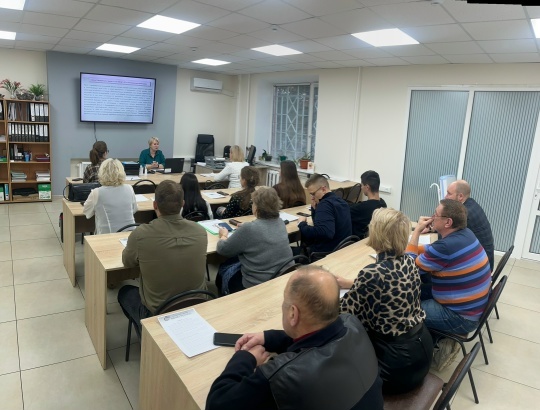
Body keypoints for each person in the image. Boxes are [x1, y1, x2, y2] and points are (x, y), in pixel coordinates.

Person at [206, 266, 384, 410]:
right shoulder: (352, 324)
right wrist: (268, 338)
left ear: (293, 313)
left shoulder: (281, 377)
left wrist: (245, 357)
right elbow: (317, 340)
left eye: (285, 302)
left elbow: (216, 404)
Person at [337, 208, 432, 394]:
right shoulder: (409, 262)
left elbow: (343, 312)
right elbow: (387, 286)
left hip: (394, 366)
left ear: (377, 233)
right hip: (422, 350)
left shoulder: (372, 274)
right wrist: (354, 283)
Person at [406, 199, 491, 370]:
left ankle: (425, 349)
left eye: (436, 215)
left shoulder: (445, 247)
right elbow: (433, 250)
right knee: (418, 291)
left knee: (404, 310)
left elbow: (408, 271)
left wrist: (416, 232)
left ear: (448, 222)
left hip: (461, 317)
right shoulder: (465, 234)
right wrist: (411, 248)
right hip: (471, 306)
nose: (432, 217)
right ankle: (433, 338)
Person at [117, 180, 208, 325]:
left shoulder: (140, 234)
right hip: (196, 306)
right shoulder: (200, 231)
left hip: (157, 314)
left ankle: (146, 332)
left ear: (155, 205)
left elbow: (127, 262)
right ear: (182, 204)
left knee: (125, 292)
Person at [215, 187, 293, 295]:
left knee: (223, 271)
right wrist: (248, 226)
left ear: (256, 208)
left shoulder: (249, 229)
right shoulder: (280, 222)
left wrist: (223, 235)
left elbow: (222, 249)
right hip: (281, 277)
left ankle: (225, 297)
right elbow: (263, 228)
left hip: (257, 284)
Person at [445, 179, 495, 272]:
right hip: (483, 260)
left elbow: (446, 235)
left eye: (449, 194)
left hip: (479, 268)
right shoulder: (470, 203)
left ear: (460, 196)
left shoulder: (465, 213)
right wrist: (432, 227)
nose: (445, 197)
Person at [297, 174, 352, 254]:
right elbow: (320, 224)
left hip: (326, 253)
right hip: (343, 249)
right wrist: (314, 209)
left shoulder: (324, 205)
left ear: (323, 189)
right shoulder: (342, 201)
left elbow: (324, 232)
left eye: (313, 194)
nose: (312, 198)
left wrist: (302, 224)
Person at [83, 158, 137, 234]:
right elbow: (134, 209)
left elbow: (86, 213)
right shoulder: (129, 188)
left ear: (102, 173)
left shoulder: (96, 192)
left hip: (108, 236)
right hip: (130, 235)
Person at [349, 170, 387, 239]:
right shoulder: (383, 204)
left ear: (367, 187)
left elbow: (345, 209)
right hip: (372, 239)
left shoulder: (362, 208)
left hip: (358, 241)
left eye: (362, 185)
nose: (361, 187)